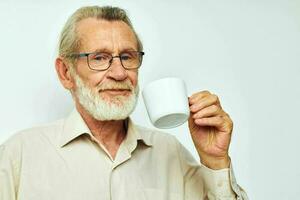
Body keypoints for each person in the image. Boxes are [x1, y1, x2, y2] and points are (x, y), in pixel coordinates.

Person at [0, 5, 248, 200]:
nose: (119, 73)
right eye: (99, 57)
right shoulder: (18, 155)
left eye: (127, 57)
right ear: (66, 73)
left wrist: (215, 161)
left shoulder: (170, 153)